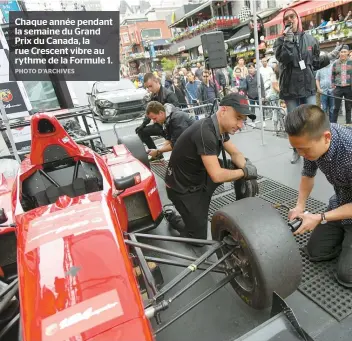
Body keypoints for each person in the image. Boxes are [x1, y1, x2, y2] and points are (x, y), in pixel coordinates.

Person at [164, 93, 258, 240]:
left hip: (201, 173)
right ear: (223, 110)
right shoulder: (205, 132)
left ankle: (241, 207)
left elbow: (235, 153)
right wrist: (245, 172)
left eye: (243, 120)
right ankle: (173, 216)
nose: (240, 125)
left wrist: (246, 166)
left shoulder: (220, 128)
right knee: (198, 239)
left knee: (238, 168)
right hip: (183, 188)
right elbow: (217, 175)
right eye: (238, 118)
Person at [285, 104, 352, 287]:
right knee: (314, 252)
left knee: (347, 276)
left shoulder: (349, 151)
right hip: (341, 203)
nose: (301, 154)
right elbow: (308, 175)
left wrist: (320, 217)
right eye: (296, 149)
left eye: (304, 149)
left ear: (327, 137)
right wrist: (300, 206)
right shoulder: (310, 142)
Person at [274, 7, 342, 164]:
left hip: (308, 86)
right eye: (286, 18)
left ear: (298, 18)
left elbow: (315, 63)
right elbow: (285, 58)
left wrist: (330, 56)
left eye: (292, 16)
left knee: (311, 120)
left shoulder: (311, 40)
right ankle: (296, 150)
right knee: (293, 122)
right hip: (290, 88)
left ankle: (314, 149)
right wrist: (288, 40)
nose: (289, 20)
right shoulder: (280, 41)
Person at [135, 73, 179, 158]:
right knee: (141, 131)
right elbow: (149, 113)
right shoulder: (153, 96)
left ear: (156, 81)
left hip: (170, 125)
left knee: (176, 144)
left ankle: (159, 153)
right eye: (147, 87)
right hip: (160, 125)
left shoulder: (169, 94)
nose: (149, 89)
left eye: (150, 86)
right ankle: (157, 155)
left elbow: (177, 111)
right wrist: (143, 125)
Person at [331, 45, 352, 124]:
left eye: (344, 52)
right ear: (339, 53)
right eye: (341, 52)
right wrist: (333, 84)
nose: (343, 53)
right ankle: (333, 125)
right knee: (336, 108)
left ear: (348, 53)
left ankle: (348, 125)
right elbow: (332, 75)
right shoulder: (335, 63)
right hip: (338, 88)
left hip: (348, 88)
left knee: (348, 108)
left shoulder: (351, 62)